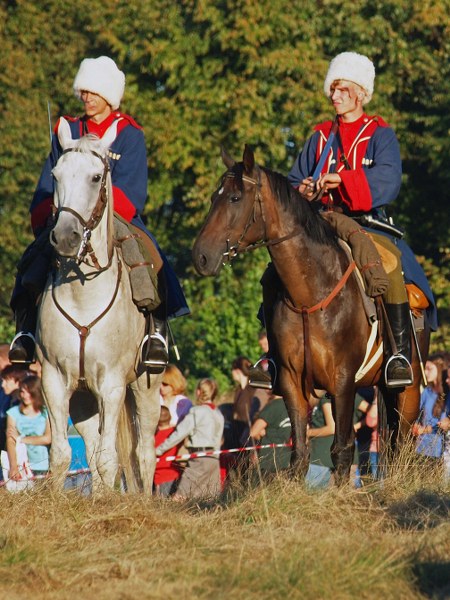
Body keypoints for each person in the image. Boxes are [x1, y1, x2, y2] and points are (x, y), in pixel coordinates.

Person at [250, 51, 436, 391]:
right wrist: (304, 190)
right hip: (318, 223)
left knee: (391, 264)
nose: (334, 96)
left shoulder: (380, 134)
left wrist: (343, 180)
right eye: (332, 89)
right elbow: (293, 184)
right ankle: (273, 357)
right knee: (273, 272)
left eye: (342, 90)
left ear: (360, 94)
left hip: (365, 222)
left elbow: (388, 181)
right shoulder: (320, 137)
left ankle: (398, 353)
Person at [8, 55, 189, 371]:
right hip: (68, 214)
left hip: (116, 215)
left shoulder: (129, 133)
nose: (86, 97)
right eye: (84, 91)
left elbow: (132, 186)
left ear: (109, 95)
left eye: (93, 91)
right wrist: (46, 214)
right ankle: (25, 330)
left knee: (152, 257)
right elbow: (49, 179)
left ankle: (156, 333)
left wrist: (99, 212)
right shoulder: (68, 129)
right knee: (31, 261)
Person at [155, 378, 224, 500]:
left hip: (199, 459)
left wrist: (159, 450)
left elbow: (179, 434)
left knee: (179, 498)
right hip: (214, 460)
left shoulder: (196, 411)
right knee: (209, 500)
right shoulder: (218, 413)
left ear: (198, 392)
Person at [5, 375, 51, 480]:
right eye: (22, 392)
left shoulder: (46, 412)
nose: (25, 395)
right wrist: (13, 467)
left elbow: (47, 439)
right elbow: (11, 440)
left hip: (43, 466)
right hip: (22, 466)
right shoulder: (13, 413)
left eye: (29, 392)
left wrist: (20, 439)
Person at [412, 357, 447, 462]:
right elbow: (416, 411)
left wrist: (424, 430)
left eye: (429, 368)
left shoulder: (446, 394)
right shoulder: (427, 391)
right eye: (425, 369)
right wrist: (415, 424)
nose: (426, 373)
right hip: (420, 447)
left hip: (437, 450)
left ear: (439, 368)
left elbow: (443, 425)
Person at [249, 394, 292, 476]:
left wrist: (262, 435)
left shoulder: (274, 406)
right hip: (285, 459)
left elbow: (253, 432)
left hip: (267, 459)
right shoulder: (291, 405)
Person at [305, 391, 335, 489]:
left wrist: (307, 433)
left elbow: (332, 427)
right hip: (318, 456)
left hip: (320, 458)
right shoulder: (320, 400)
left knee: (310, 493)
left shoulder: (325, 398)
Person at [231, 356, 261, 447]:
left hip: (249, 432)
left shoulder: (253, 389)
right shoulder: (238, 390)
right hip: (238, 432)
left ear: (237, 371)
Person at [153, 406, 182, 497]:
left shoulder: (153, 437)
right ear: (170, 417)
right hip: (175, 473)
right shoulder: (176, 433)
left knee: (161, 502)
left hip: (159, 476)